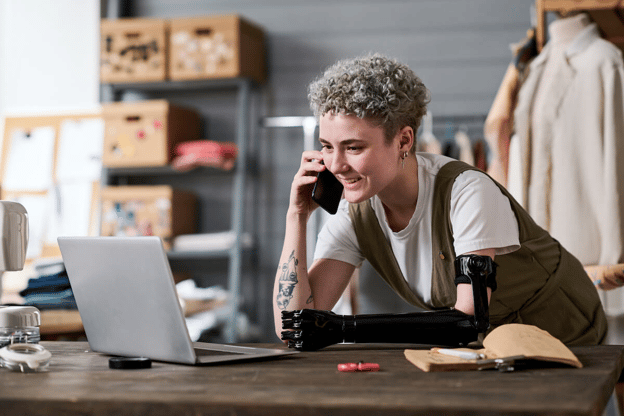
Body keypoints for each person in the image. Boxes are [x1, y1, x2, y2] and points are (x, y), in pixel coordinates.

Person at [273, 53, 607, 346]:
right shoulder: (354, 214)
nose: (335, 165)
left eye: (354, 147)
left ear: (404, 139)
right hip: (483, 349)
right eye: (328, 146)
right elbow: (293, 328)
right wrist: (296, 216)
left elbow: (467, 320)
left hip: (564, 333)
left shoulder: (469, 193)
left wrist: (343, 329)